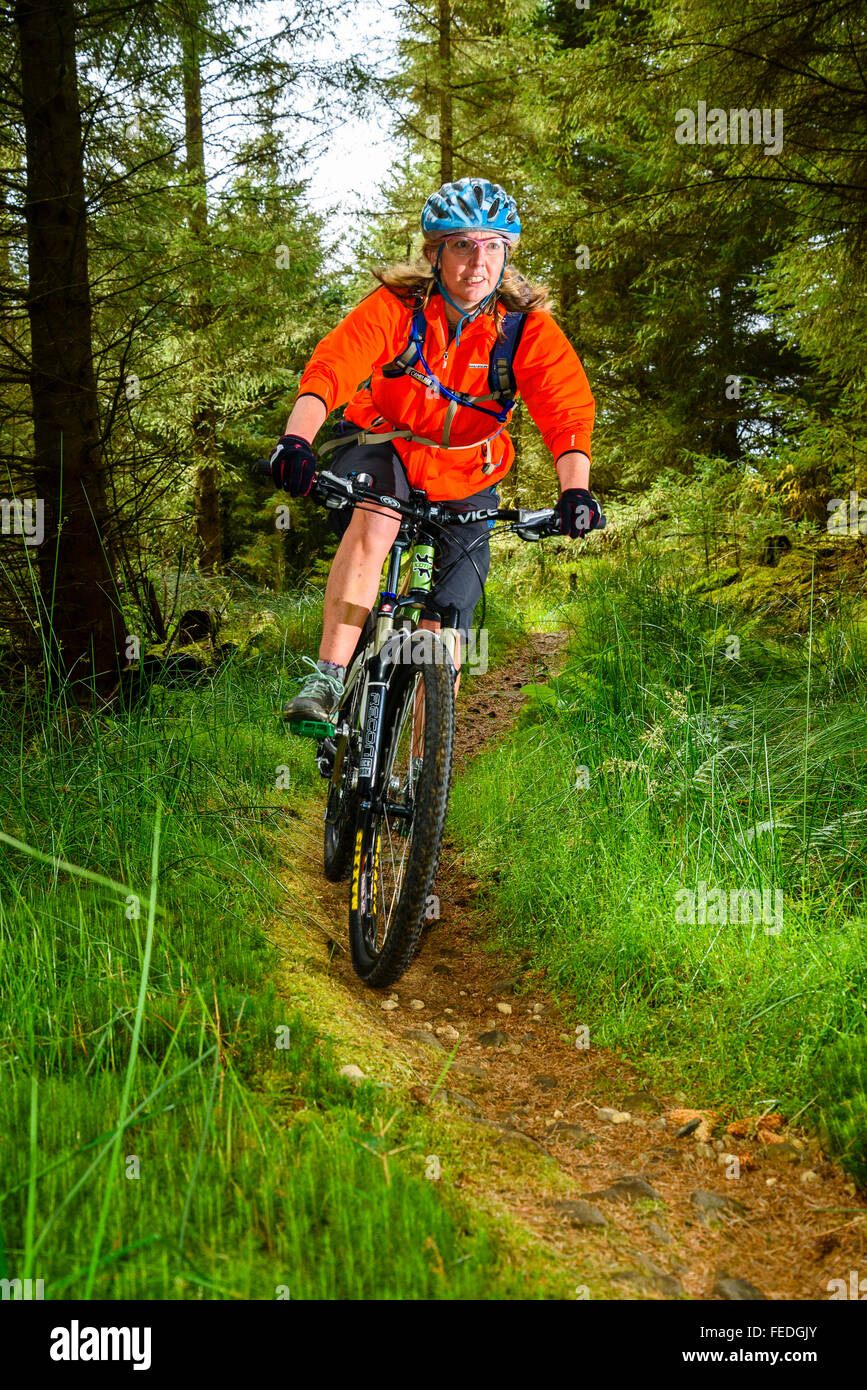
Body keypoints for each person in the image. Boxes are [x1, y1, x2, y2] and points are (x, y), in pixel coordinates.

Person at [268, 176, 600, 727]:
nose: (479, 261)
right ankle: (327, 677)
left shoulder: (524, 329)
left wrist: (576, 491)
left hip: (468, 471)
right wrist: (296, 440)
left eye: (493, 245)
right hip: (382, 446)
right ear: (435, 253)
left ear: (507, 254)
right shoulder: (397, 308)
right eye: (463, 245)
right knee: (379, 518)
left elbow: (564, 408)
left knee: (445, 631)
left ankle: (424, 775)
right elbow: (332, 368)